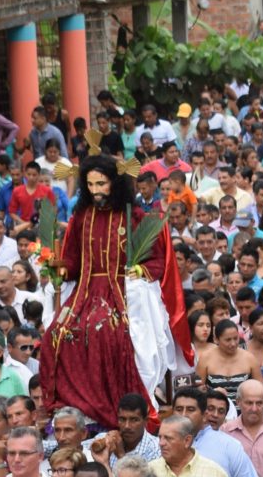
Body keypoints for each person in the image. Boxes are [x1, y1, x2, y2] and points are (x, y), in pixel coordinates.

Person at [41, 156, 189, 424]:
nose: (96, 190)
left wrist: (140, 271)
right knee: (56, 334)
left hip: (121, 291)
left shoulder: (134, 216)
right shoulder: (81, 217)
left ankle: (116, 406)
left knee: (108, 333)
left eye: (102, 183)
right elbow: (73, 261)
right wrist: (60, 268)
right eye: (90, 184)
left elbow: (155, 260)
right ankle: (74, 406)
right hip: (84, 293)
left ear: (115, 183)